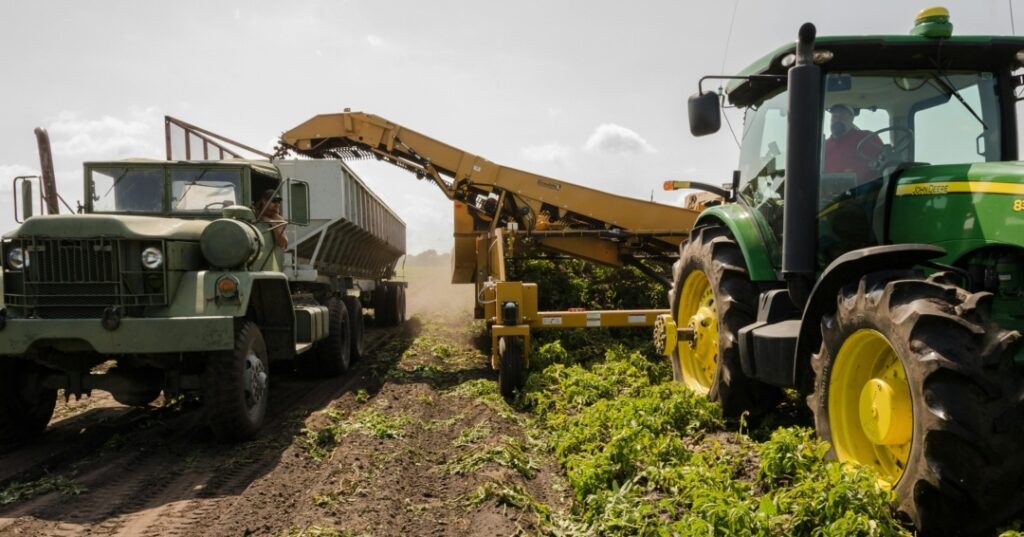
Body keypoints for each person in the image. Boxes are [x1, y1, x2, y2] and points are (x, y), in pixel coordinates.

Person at [823, 104, 883, 184]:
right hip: (833, 193)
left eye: (843, 116)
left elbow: (884, 160)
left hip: (867, 191)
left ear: (851, 119)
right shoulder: (824, 146)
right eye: (834, 116)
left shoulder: (868, 138)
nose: (838, 120)